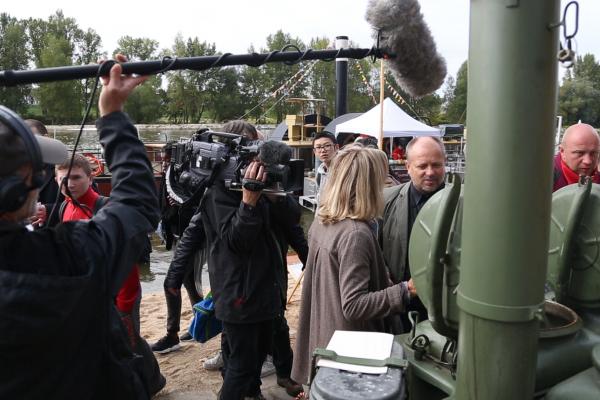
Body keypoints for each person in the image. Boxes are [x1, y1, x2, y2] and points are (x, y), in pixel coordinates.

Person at [0, 55, 165, 398]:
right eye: (34, 172)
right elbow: (136, 202)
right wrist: (113, 114)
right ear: (14, 192)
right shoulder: (65, 259)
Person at [291, 144, 415, 386]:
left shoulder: (323, 222)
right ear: (367, 185)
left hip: (326, 338)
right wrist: (404, 290)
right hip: (351, 350)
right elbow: (354, 306)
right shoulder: (355, 233)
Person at [200, 146, 306, 399]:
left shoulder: (267, 189)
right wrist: (249, 202)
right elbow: (236, 242)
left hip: (266, 290)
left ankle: (253, 393)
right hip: (239, 295)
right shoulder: (220, 192)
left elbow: (293, 220)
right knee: (241, 366)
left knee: (255, 359)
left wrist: (274, 194)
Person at [380, 136, 446, 331]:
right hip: (400, 310)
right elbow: (375, 251)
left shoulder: (463, 203)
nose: (430, 172)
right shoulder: (385, 201)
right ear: (408, 167)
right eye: (422, 166)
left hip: (447, 312)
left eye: (436, 165)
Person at [24, 119, 62, 227]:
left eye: (32, 139)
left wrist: (48, 210)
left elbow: (85, 202)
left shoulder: (65, 165)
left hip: (55, 232)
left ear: (46, 138)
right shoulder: (12, 170)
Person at [553, 123, 600, 191]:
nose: (588, 161)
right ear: (562, 151)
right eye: (579, 153)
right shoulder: (542, 180)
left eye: (594, 153)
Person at [312, 132, 339, 203]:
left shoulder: (345, 169)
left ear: (336, 147)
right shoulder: (320, 171)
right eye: (318, 147)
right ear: (314, 151)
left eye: (327, 146)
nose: (323, 150)